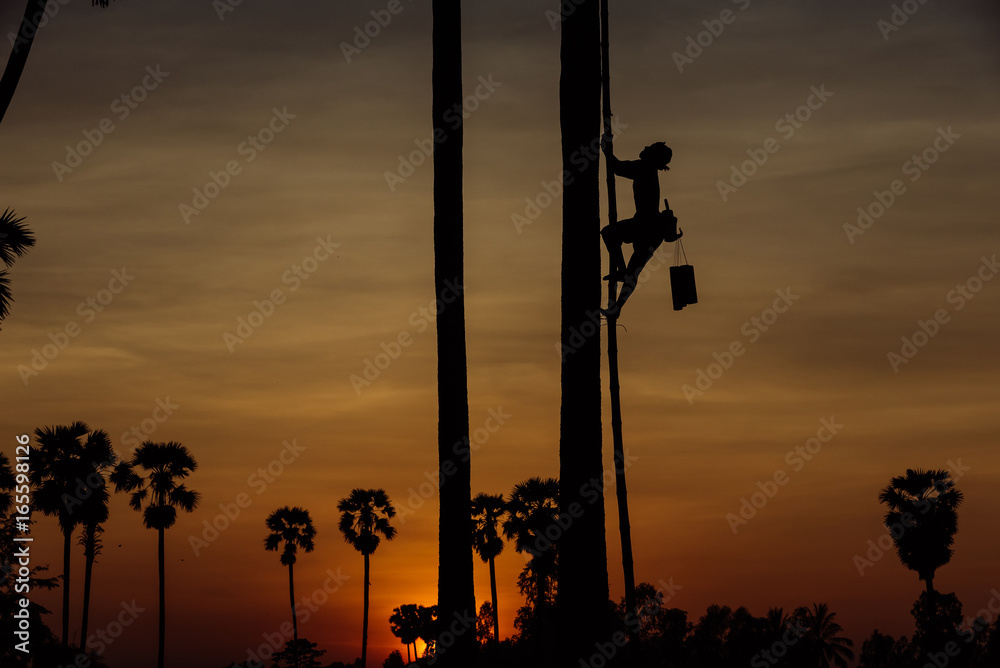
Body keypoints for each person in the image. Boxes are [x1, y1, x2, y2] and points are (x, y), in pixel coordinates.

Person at [600, 140, 681, 316]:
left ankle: (621, 272)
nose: (645, 149)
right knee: (634, 271)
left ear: (653, 155)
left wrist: (606, 151)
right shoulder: (648, 169)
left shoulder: (644, 167)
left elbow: (616, 167)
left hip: (646, 224)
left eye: (650, 149)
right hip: (653, 229)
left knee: (608, 233)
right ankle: (617, 307)